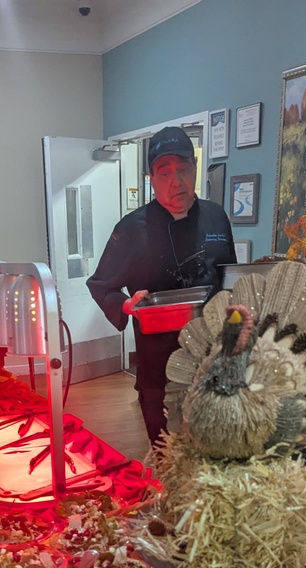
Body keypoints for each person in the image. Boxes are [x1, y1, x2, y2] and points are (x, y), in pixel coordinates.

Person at [87, 126, 236, 444]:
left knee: (212, 451)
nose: (176, 181)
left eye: (183, 169)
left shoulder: (216, 217)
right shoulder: (130, 230)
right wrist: (127, 304)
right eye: (164, 172)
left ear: (195, 169)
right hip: (160, 369)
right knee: (167, 456)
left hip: (213, 363)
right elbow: (101, 285)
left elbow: (228, 281)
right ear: (151, 179)